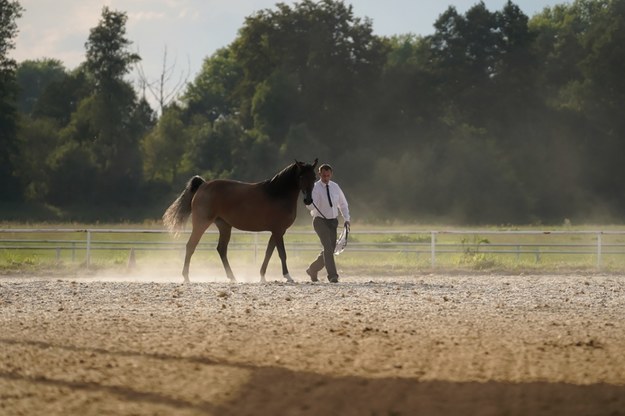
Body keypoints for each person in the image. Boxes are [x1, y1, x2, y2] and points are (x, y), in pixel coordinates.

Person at [305, 163, 350, 283]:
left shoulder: (335, 187)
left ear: (331, 174)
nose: (325, 178)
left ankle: (312, 269)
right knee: (327, 247)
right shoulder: (315, 188)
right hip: (320, 221)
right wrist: (308, 202)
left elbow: (343, 204)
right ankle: (333, 276)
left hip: (333, 221)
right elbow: (310, 206)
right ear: (319, 174)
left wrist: (346, 218)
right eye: (323, 175)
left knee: (331, 248)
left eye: (328, 175)